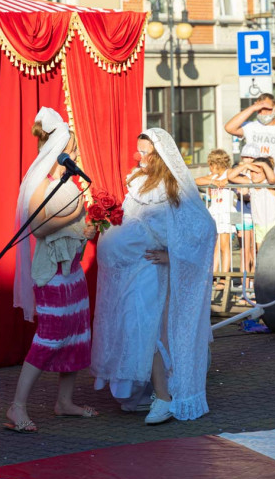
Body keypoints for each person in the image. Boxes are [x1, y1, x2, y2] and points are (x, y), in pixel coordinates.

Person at [91, 128, 216, 424]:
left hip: (154, 271)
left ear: (160, 155)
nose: (141, 158)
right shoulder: (136, 182)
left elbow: (203, 230)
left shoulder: (175, 189)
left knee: (149, 330)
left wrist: (173, 256)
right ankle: (142, 391)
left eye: (146, 152)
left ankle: (165, 397)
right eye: (139, 152)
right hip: (131, 270)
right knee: (133, 328)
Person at [6, 108, 98, 433]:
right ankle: (17, 407)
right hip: (53, 276)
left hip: (72, 273)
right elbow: (39, 229)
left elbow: (68, 230)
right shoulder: (41, 184)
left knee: (76, 335)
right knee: (50, 337)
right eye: (71, 147)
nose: (74, 153)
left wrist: (86, 229)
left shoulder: (69, 182)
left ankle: (65, 401)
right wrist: (75, 217)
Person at [224, 93, 275, 184]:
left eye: (267, 109)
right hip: (254, 184)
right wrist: (252, 108)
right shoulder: (250, 127)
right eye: (260, 109)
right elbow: (229, 128)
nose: (263, 113)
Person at [229, 155, 275, 280]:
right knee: (260, 258)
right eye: (252, 171)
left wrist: (263, 165)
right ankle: (261, 285)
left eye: (257, 172)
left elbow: (273, 178)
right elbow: (230, 176)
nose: (254, 174)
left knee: (273, 258)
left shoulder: (269, 184)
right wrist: (246, 166)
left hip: (273, 225)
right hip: (258, 226)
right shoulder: (250, 183)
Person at [195, 149, 236, 288]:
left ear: (216, 163)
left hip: (225, 211)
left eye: (211, 164)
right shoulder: (211, 176)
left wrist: (224, 180)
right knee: (215, 246)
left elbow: (233, 177)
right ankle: (212, 275)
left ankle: (225, 277)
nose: (210, 168)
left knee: (225, 246)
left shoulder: (228, 173)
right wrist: (213, 180)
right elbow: (196, 181)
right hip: (215, 212)